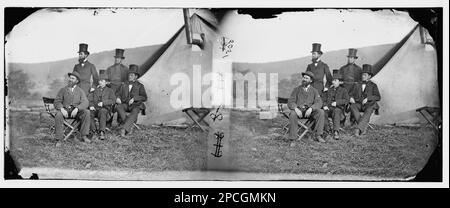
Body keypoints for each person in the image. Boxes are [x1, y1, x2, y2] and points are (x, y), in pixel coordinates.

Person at [53, 71, 91, 145]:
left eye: (73, 78)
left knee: (87, 112)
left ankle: (84, 135)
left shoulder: (80, 91)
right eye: (70, 78)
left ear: (76, 81)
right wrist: (61, 109)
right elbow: (56, 101)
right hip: (65, 111)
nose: (70, 80)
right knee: (58, 114)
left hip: (76, 112)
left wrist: (77, 108)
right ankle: (59, 139)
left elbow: (85, 102)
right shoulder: (63, 90)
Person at [287, 71, 326, 142]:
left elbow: (319, 102)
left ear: (310, 81)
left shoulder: (314, 91)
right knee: (292, 114)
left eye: (306, 78)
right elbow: (290, 101)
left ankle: (318, 135)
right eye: (303, 78)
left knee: (321, 112)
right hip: (299, 111)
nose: (304, 79)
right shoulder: (296, 90)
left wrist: (311, 108)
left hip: (310, 112)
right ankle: (293, 138)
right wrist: (295, 108)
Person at [349, 64, 381, 137]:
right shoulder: (357, 84)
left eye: (365, 75)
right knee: (352, 106)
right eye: (362, 75)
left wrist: (368, 98)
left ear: (369, 76)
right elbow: (350, 94)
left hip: (369, 105)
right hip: (359, 104)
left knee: (369, 110)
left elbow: (378, 97)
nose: (363, 76)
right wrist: (351, 98)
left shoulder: (373, 85)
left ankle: (358, 129)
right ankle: (363, 126)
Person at [115, 64, 147, 137]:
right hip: (126, 104)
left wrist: (134, 98)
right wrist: (117, 98)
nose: (129, 76)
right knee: (119, 107)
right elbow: (118, 93)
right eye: (129, 75)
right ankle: (130, 126)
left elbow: (144, 97)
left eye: (132, 75)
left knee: (135, 110)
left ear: (136, 76)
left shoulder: (140, 86)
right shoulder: (124, 84)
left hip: (136, 105)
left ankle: (124, 129)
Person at [88, 70, 116, 140]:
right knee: (88, 113)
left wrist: (103, 103)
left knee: (103, 111)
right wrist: (91, 106)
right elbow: (89, 100)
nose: (100, 82)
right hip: (95, 109)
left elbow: (113, 100)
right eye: (99, 81)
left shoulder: (110, 91)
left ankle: (101, 132)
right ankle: (94, 131)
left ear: (106, 82)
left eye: (102, 81)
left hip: (105, 110)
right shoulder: (95, 90)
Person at [322, 70, 349, 140]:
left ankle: (336, 131)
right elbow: (323, 99)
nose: (333, 82)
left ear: (339, 82)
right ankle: (327, 130)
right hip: (328, 109)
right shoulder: (329, 90)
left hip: (339, 110)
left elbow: (346, 100)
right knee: (322, 112)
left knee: (336, 111)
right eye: (333, 80)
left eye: (335, 80)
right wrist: (324, 105)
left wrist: (337, 103)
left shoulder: (343, 90)